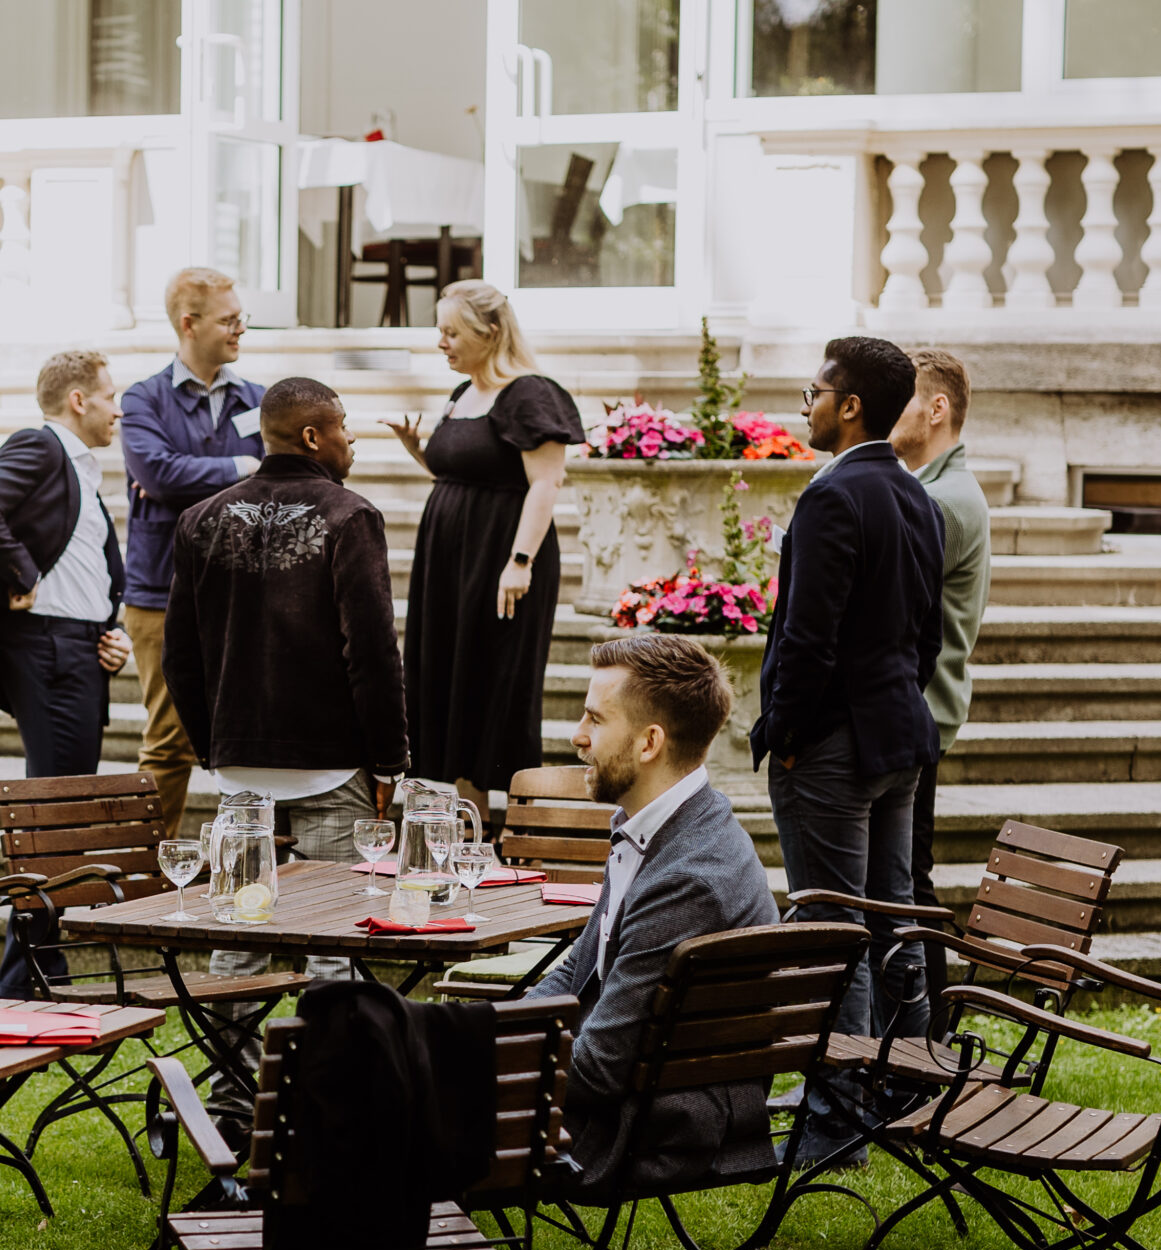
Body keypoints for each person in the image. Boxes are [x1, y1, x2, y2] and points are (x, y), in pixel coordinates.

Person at [165, 376, 409, 1124]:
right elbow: (372, 652)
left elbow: (180, 656)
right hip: (329, 760)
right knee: (332, 941)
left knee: (241, 937)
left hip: (239, 764)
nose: (351, 438)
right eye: (342, 426)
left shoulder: (201, 518)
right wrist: (390, 760)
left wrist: (215, 747)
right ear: (311, 436)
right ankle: (330, 1108)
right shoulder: (350, 515)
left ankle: (233, 1104)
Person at [752, 335, 946, 1161]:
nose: (807, 406)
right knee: (893, 920)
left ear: (851, 406)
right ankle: (905, 1092)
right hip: (899, 737)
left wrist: (787, 734)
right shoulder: (917, 497)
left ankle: (837, 1124)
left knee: (833, 930)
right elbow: (926, 638)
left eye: (816, 393)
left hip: (833, 748)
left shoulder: (833, 495)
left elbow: (807, 640)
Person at [531, 636, 779, 1187]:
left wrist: (488, 1065)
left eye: (596, 719)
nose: (578, 735)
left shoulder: (687, 879)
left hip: (643, 1127)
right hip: (628, 1093)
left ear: (649, 743)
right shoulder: (667, 822)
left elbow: (599, 1068)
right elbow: (578, 971)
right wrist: (495, 1035)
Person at [0, 347, 135, 999]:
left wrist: (108, 632)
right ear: (78, 400)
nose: (119, 410)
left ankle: (37, 976)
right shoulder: (41, 446)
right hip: (49, 651)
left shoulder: (80, 467)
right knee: (52, 822)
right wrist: (22, 572)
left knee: (60, 821)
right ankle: (26, 984)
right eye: (110, 396)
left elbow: (86, 567)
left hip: (76, 649)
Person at [385, 280, 584, 820]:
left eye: (452, 332)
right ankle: (470, 825)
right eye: (440, 332)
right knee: (454, 682)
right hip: (450, 561)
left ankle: (518, 835)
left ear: (491, 331)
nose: (441, 343)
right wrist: (417, 449)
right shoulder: (462, 393)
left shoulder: (530, 393)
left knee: (500, 684)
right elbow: (462, 473)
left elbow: (546, 482)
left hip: (502, 557)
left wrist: (519, 562)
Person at [120, 266, 268, 835]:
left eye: (240, 318)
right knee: (167, 742)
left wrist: (191, 476)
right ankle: (151, 874)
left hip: (243, 592)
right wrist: (243, 466)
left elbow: (280, 477)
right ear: (190, 323)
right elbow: (158, 474)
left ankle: (254, 863)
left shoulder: (259, 399)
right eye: (229, 320)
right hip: (161, 592)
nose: (240, 329)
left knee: (252, 736)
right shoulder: (143, 399)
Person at [888, 348, 991, 1028]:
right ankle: (926, 1029)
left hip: (917, 710)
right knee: (907, 874)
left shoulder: (941, 501)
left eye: (901, 398)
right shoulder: (934, 489)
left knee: (907, 879)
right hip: (926, 709)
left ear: (937, 408)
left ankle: (927, 1031)